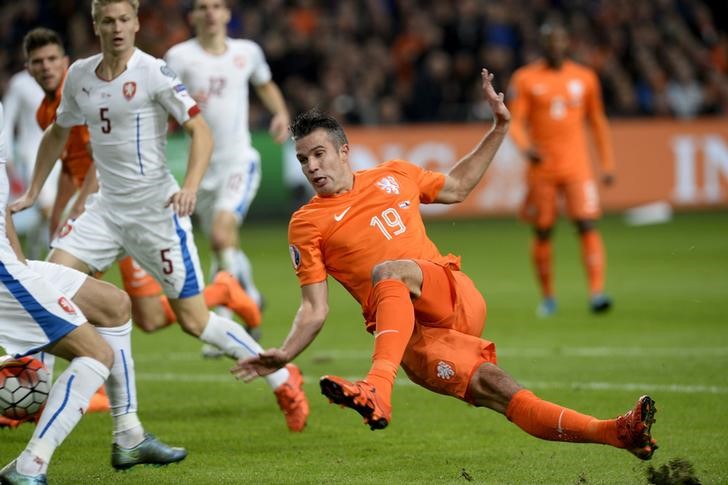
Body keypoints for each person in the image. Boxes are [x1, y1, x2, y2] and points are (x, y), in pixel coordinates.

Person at [233, 70, 658, 461]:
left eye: (319, 154)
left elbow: (455, 187)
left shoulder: (393, 174)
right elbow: (314, 308)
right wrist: (285, 354)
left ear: (344, 151)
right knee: (504, 392)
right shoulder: (305, 224)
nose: (311, 167)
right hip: (414, 343)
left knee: (388, 270)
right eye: (303, 159)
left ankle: (377, 388)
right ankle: (615, 433)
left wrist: (500, 129)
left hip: (451, 298)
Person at [11, 0, 308, 432]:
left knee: (194, 321)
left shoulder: (155, 71)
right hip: (105, 210)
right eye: (107, 21)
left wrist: (189, 186)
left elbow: (198, 130)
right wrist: (35, 189)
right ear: (96, 25)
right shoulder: (79, 76)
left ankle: (283, 375)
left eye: (124, 20)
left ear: (135, 24)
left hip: (155, 213)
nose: (117, 28)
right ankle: (36, 390)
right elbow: (57, 132)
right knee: (47, 288)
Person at [23, 26, 261, 337]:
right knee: (141, 316)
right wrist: (60, 212)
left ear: (65, 61)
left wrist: (81, 202)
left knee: (73, 293)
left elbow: (102, 157)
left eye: (52, 59)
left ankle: (94, 378)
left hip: (117, 205)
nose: (46, 67)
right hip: (101, 213)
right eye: (38, 62)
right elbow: (69, 168)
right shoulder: (47, 112)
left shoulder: (89, 93)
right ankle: (221, 293)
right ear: (28, 67)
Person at [0, 101, 186, 484]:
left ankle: (128, 435)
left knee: (114, 304)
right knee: (95, 353)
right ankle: (30, 466)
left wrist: (22, 266)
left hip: (10, 264)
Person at [164, 0, 290, 316]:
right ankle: (251, 296)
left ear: (227, 14)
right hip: (201, 167)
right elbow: (162, 104)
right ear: (192, 16)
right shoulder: (178, 57)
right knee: (224, 244)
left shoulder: (246, 52)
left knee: (221, 235)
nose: (210, 12)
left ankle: (226, 313)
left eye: (217, 6)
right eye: (203, 7)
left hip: (238, 161)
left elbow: (265, 84)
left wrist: (280, 113)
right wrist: (185, 105)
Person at [507, 21, 616, 316]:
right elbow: (515, 120)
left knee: (586, 223)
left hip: (577, 168)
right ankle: (548, 297)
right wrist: (525, 147)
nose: (555, 46)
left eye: (560, 40)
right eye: (550, 41)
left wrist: (606, 164)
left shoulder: (585, 78)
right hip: (542, 169)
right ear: (542, 45)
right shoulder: (525, 79)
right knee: (543, 231)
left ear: (568, 43)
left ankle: (597, 293)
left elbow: (597, 122)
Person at [2, 68, 62, 260]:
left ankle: (35, 257)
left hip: (60, 157)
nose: (45, 64)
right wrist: (8, 158)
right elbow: (7, 120)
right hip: (32, 156)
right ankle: (60, 259)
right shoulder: (20, 83)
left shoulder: (61, 79)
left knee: (45, 214)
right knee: (47, 207)